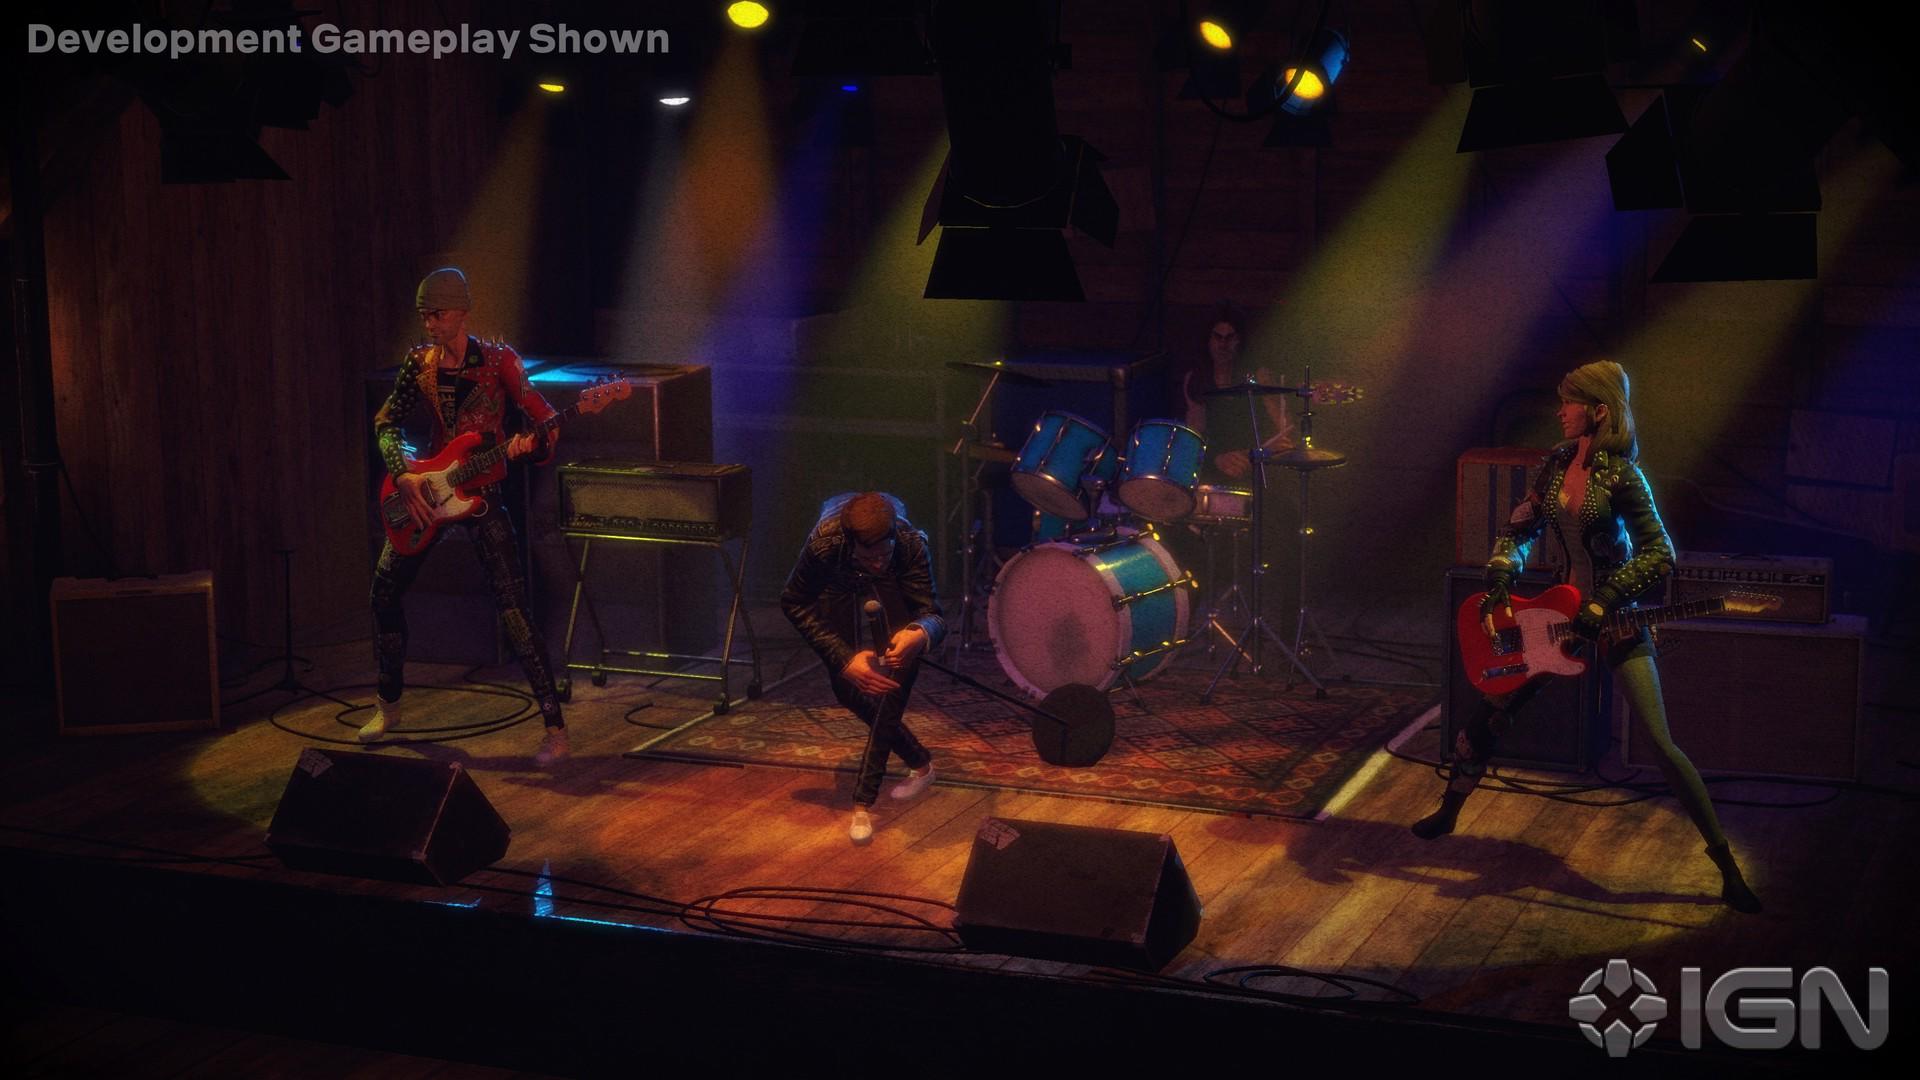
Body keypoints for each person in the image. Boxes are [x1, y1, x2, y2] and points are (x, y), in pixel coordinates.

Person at [1410, 360, 1761, 914]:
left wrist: (1604, 601)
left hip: (1614, 619)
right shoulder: (1555, 463)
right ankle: (1450, 811)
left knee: (1661, 743)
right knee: (1490, 712)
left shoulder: (1624, 477)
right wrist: (1501, 573)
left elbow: (1660, 553)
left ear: (1598, 411)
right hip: (1557, 620)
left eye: (1569, 402)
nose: (1560, 411)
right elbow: (1519, 527)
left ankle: (1726, 867)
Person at [360, 267, 571, 766]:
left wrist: (534, 443)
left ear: (461, 312)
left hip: (482, 494)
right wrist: (404, 474)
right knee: (383, 591)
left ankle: (555, 729)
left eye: (436, 314)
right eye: (424, 315)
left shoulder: (499, 361)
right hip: (431, 492)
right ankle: (388, 705)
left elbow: (546, 420)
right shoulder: (420, 364)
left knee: (514, 609)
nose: (429, 324)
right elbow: (386, 421)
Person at [781, 492, 945, 845]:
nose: (877, 564)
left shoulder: (909, 545)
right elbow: (794, 601)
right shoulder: (825, 545)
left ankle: (863, 803)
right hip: (838, 577)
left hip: (895, 581)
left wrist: (919, 633)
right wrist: (843, 660)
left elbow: (932, 613)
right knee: (849, 688)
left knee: (894, 683)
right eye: (869, 557)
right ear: (851, 543)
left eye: (883, 554)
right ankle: (921, 764)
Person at [1173, 301, 1297, 483]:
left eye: (1230, 338)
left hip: (1259, 469)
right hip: (1216, 471)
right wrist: (1216, 458)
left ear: (1240, 340)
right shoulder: (1197, 379)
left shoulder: (1260, 376)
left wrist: (1251, 454)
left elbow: (1286, 435)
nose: (1223, 345)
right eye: (1218, 337)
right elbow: (1194, 439)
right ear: (1208, 340)